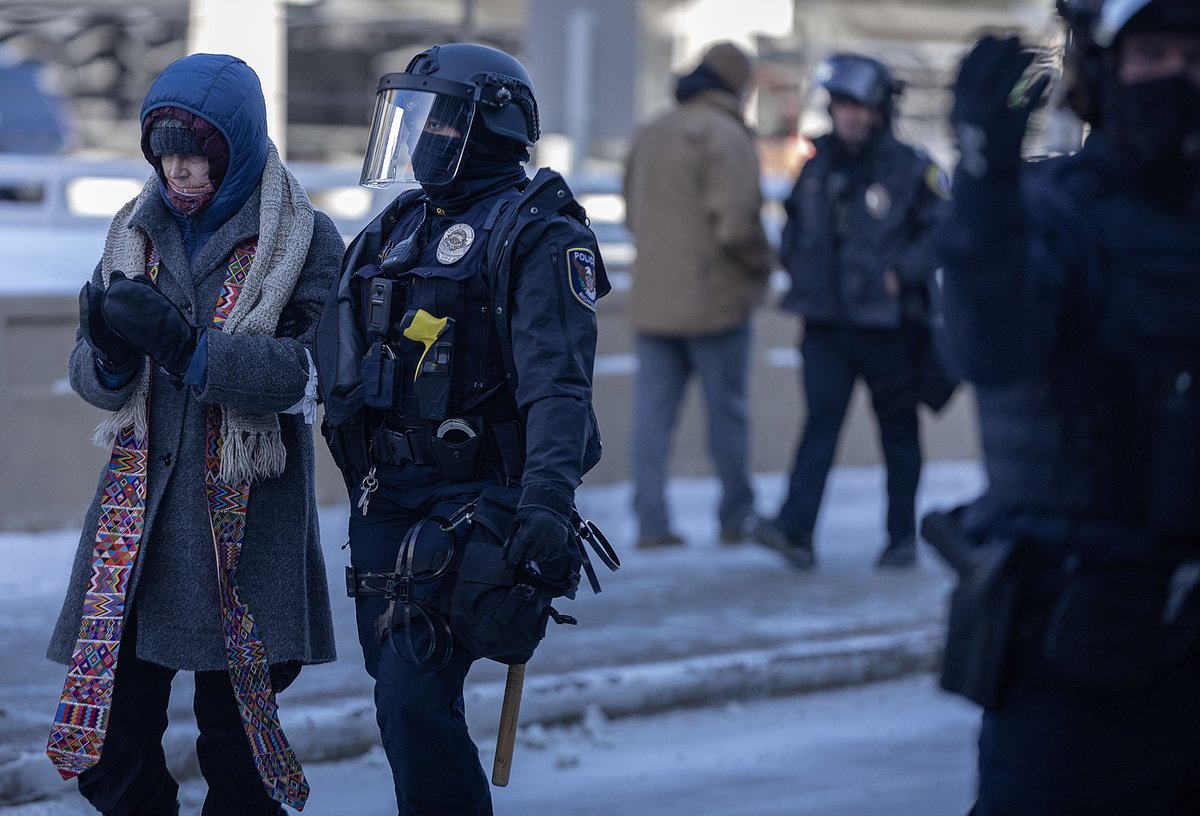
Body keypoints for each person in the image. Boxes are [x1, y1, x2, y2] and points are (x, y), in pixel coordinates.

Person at [314, 43, 608, 814]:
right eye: (415, 122)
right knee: (401, 698)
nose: (421, 141)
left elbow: (559, 385)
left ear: (488, 130)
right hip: (390, 498)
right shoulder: (400, 225)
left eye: (439, 123)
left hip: (478, 503)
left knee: (413, 695)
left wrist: (546, 499)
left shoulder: (540, 233)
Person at [45, 54, 341, 815]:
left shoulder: (305, 239)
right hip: (137, 531)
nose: (178, 169)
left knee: (238, 760)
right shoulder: (133, 233)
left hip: (247, 536)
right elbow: (93, 381)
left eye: (198, 153)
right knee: (110, 747)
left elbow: (310, 374)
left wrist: (189, 349)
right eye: (165, 152)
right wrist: (110, 355)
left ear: (236, 149)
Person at [932, 0, 1200, 811]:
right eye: (1154, 52)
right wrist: (984, 188)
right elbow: (987, 346)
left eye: (1198, 54)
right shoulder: (1054, 211)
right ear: (1102, 68)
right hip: (1078, 647)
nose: (1181, 76)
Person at [755, 52, 951, 570]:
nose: (853, 116)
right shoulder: (816, 165)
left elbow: (944, 231)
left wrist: (901, 272)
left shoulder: (913, 168)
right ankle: (795, 531)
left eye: (863, 107)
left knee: (898, 434)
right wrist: (797, 267)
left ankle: (900, 538)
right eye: (844, 106)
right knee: (820, 424)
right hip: (825, 322)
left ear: (881, 110)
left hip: (888, 326)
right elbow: (795, 226)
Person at [622, 41, 774, 549]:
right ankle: (737, 516)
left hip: (653, 298)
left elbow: (629, 215)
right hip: (715, 300)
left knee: (652, 418)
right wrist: (764, 264)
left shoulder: (651, 131)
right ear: (738, 84)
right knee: (726, 416)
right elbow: (737, 227)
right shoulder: (726, 135)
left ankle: (650, 521)